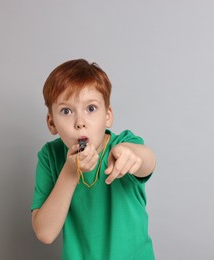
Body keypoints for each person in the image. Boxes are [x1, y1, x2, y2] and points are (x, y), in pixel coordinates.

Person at [31, 59, 156, 260]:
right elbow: (45, 233)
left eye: (91, 109)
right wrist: (70, 173)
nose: (80, 123)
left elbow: (148, 161)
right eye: (66, 111)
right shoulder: (50, 156)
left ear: (107, 116)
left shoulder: (123, 143)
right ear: (51, 123)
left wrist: (131, 154)